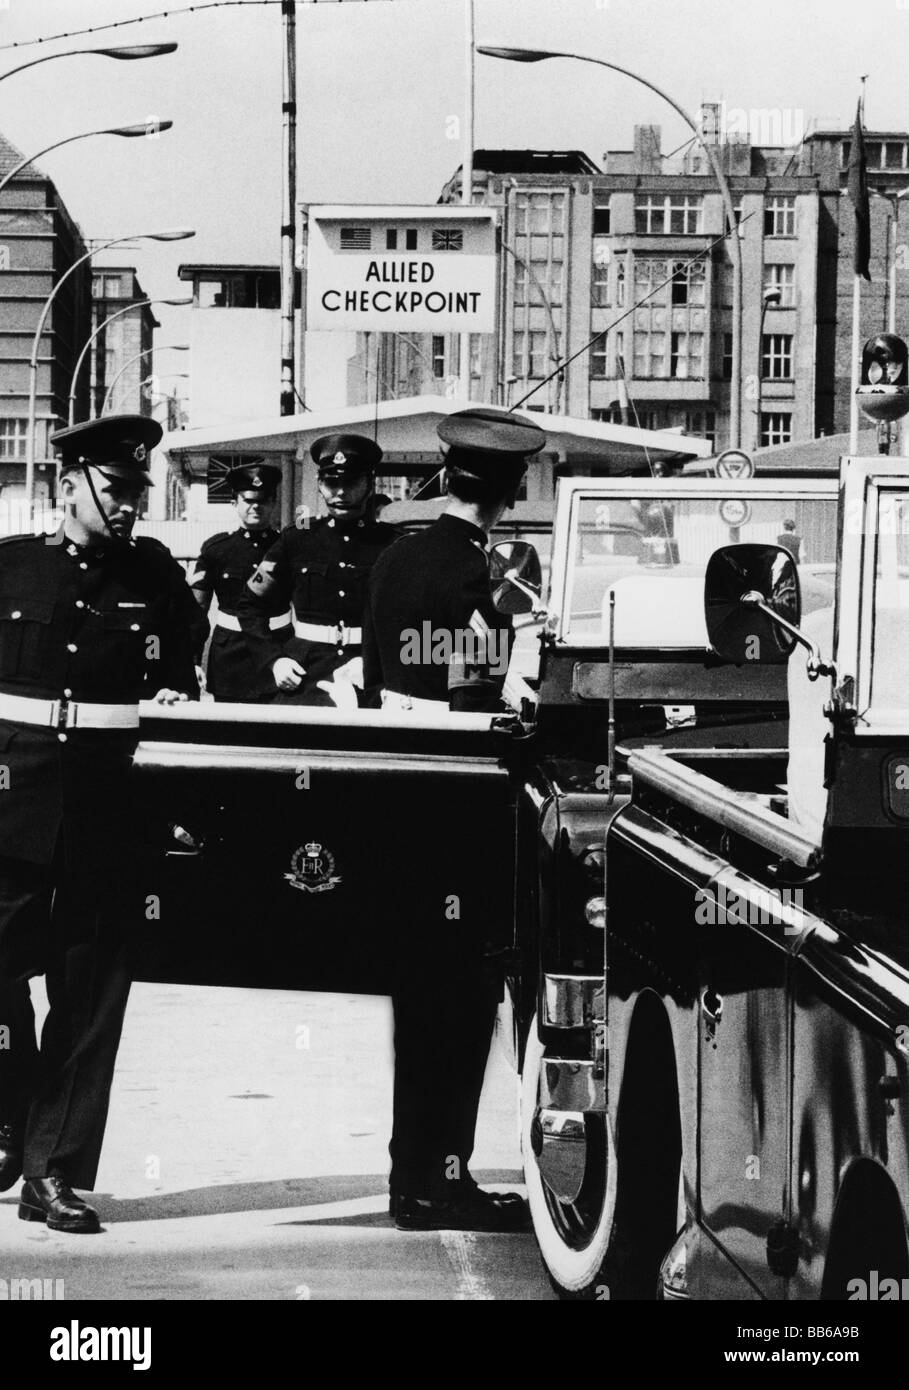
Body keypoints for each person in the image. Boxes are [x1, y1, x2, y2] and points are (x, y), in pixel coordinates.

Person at [0, 415, 200, 1233]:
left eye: (138, 492)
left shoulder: (154, 574)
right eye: (116, 489)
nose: (130, 506)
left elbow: (185, 668)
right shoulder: (10, 567)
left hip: (107, 807)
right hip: (12, 802)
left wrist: (176, 693)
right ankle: (13, 1112)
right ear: (67, 484)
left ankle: (53, 1172)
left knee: (89, 993)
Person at [364, 404, 547, 1231]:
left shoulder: (397, 559)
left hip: (397, 805)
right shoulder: (484, 580)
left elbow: (382, 676)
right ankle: (438, 1181)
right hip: (459, 809)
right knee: (462, 1007)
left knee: (418, 1007)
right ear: (510, 488)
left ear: (446, 475)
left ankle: (416, 1180)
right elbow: (484, 695)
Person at [235, 434, 398, 707]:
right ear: (320, 485)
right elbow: (250, 605)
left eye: (351, 482)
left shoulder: (393, 543)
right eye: (332, 483)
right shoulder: (297, 537)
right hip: (304, 678)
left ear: (370, 485)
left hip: (369, 678)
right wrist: (274, 661)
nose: (341, 492)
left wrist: (377, 662)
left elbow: (409, 618)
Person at [188, 464, 290, 702]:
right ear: (234, 504)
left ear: (274, 503)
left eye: (264, 500)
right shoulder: (217, 549)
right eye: (248, 500)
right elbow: (196, 612)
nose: (256, 506)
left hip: (278, 649)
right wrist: (192, 661)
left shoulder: (287, 547)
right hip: (230, 654)